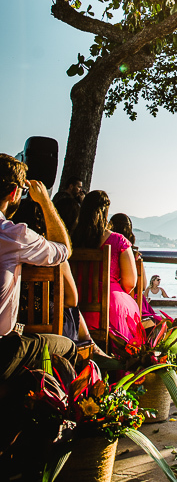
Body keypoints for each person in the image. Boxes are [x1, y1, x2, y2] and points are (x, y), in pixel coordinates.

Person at [0, 153, 77, 379]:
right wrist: (44, 201)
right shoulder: (14, 235)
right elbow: (63, 248)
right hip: (3, 351)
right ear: (14, 192)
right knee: (67, 348)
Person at [71, 190, 141, 339]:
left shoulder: (71, 239)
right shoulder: (118, 241)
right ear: (105, 212)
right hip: (109, 309)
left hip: (73, 306)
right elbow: (130, 283)